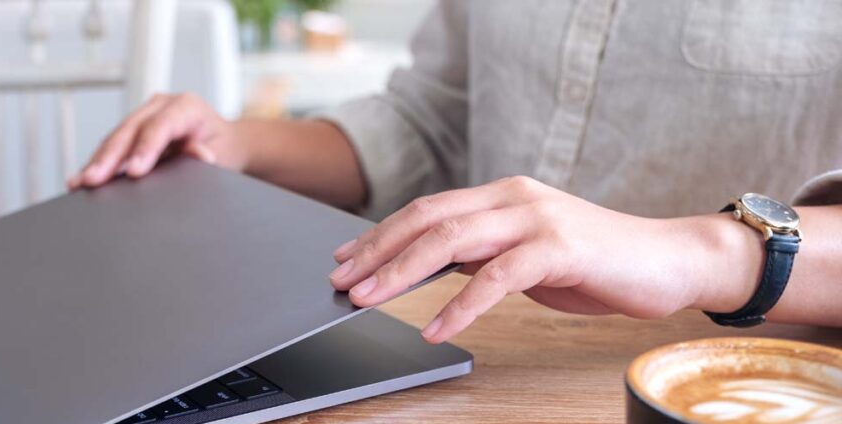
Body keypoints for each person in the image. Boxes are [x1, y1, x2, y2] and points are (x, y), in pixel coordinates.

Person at [69, 1, 842, 342]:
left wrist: (700, 254)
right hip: (464, 355)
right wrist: (238, 145)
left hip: (739, 397)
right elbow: (428, 122)